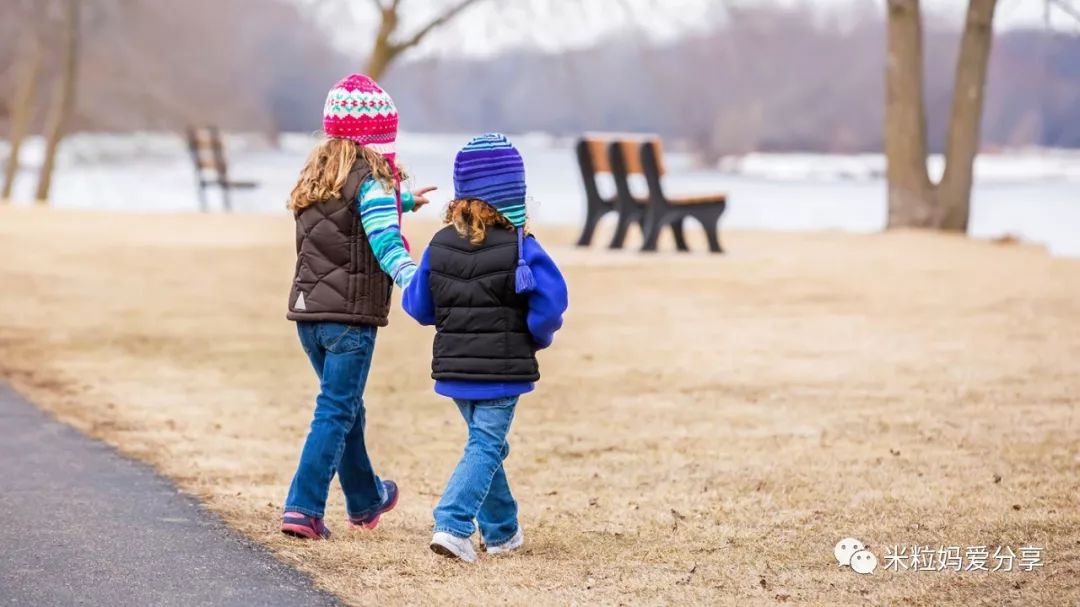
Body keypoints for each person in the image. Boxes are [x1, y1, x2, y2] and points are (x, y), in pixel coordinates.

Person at [280, 73, 435, 540]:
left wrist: (403, 199)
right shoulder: (371, 182)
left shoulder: (315, 180)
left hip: (309, 316)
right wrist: (415, 282)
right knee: (334, 410)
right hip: (349, 320)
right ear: (377, 139)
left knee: (346, 408)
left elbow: (343, 218)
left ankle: (366, 498)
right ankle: (302, 508)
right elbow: (384, 238)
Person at [402, 133, 568, 561]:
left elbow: (420, 307)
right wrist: (537, 336)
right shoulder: (521, 248)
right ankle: (453, 524)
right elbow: (550, 307)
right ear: (516, 194)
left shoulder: (439, 245)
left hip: (455, 368)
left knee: (486, 443)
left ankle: (502, 533)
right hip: (502, 369)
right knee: (487, 445)